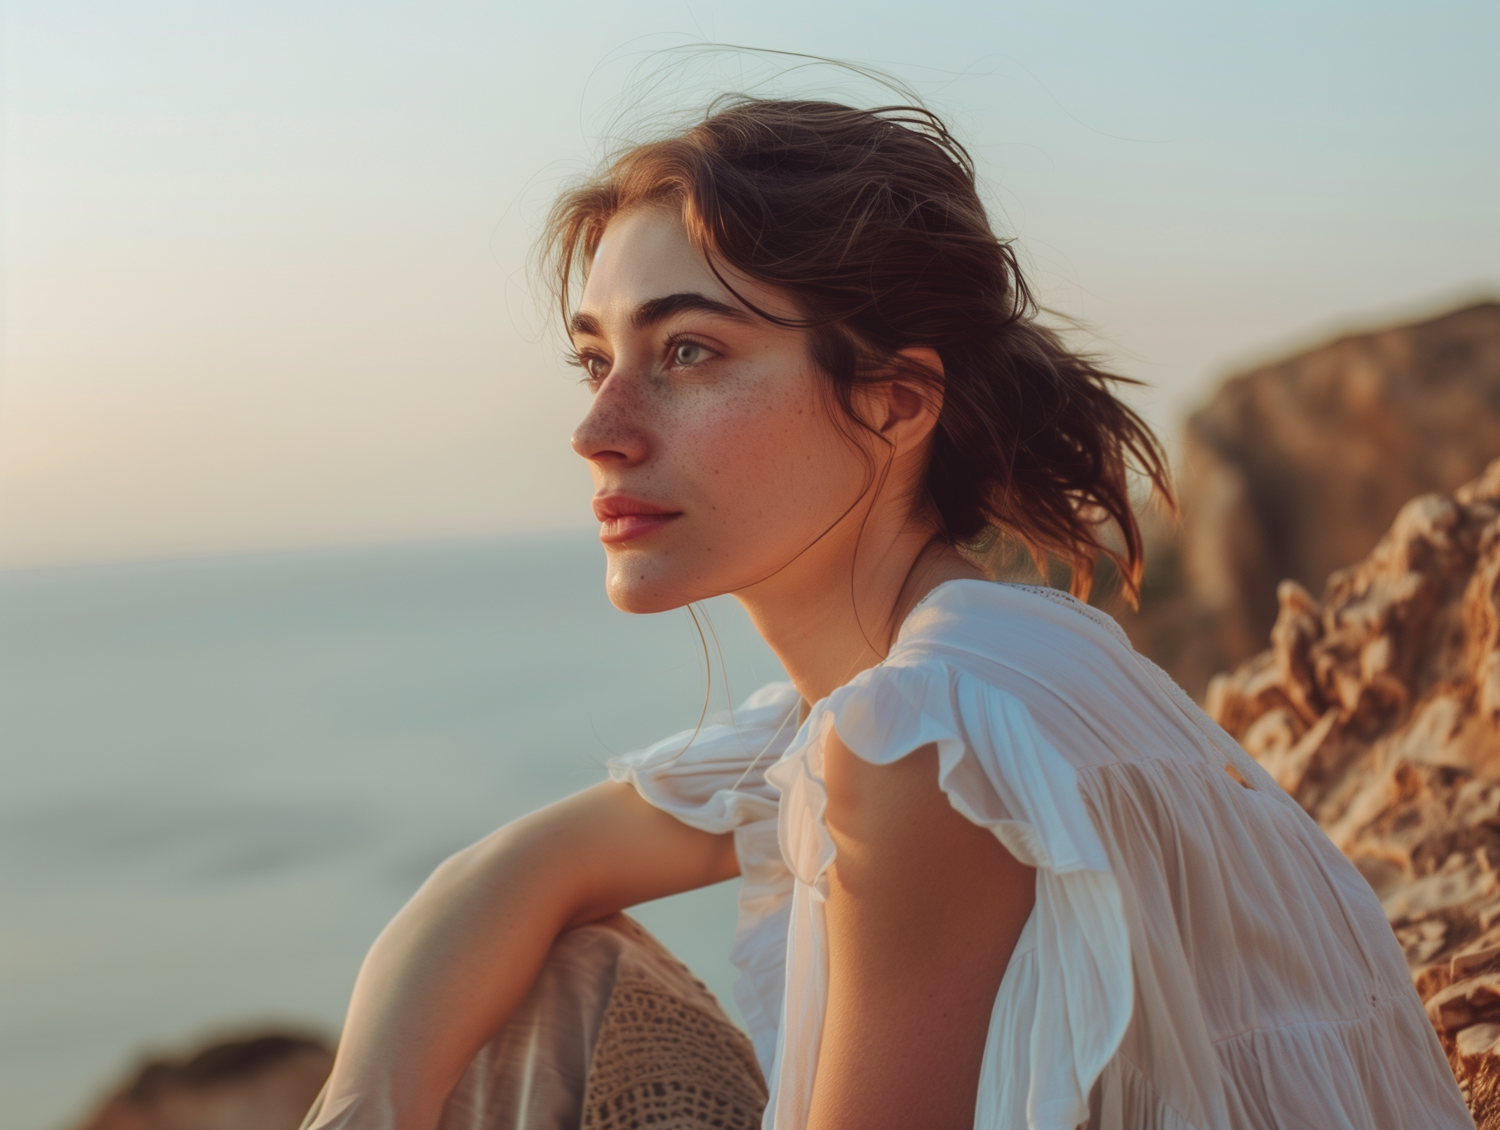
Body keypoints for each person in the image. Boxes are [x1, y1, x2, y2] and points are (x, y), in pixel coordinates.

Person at [301, 96, 1471, 1130]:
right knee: (548, 963)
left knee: (547, 1000)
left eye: (689, 352)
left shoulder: (930, 730)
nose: (599, 427)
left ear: (897, 401)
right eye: (596, 358)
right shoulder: (965, 669)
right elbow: (516, 868)